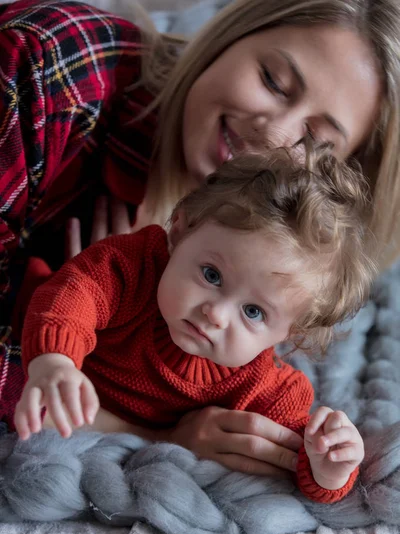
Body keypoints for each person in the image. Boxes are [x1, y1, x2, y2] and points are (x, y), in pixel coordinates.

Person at [0, 0, 399, 477]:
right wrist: (155, 437)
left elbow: (307, 459)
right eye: (272, 81)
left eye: (315, 143)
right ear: (228, 35)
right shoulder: (48, 68)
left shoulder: (239, 257)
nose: (272, 133)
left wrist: (330, 463)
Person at [16, 149, 372, 502]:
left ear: (290, 334)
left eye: (253, 312)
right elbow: (75, 294)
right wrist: (54, 360)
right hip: (28, 341)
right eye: (211, 275)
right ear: (181, 230)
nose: (215, 314)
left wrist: (330, 467)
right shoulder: (135, 267)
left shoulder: (267, 389)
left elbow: (291, 455)